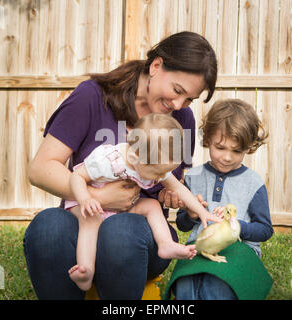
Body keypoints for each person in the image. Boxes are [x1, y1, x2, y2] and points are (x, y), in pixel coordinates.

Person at [24, 31, 218, 300]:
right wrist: (100, 197)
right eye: (177, 91)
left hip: (138, 235)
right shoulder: (92, 97)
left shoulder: (181, 118)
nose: (178, 104)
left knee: (121, 232)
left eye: (188, 99)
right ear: (156, 66)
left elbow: (171, 179)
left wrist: (175, 197)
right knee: (47, 227)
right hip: (85, 218)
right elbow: (40, 169)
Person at [67, 113, 224, 291]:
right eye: (157, 174)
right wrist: (86, 198)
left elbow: (179, 189)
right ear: (134, 158)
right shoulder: (108, 159)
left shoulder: (152, 158)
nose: (160, 179)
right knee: (91, 220)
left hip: (120, 210)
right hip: (91, 206)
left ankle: (165, 244)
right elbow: (76, 176)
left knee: (152, 205)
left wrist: (202, 212)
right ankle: (86, 271)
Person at [172, 98, 274, 300]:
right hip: (200, 246)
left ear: (248, 147)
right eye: (220, 147)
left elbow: (265, 230)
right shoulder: (193, 176)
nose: (227, 157)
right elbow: (182, 225)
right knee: (186, 287)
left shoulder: (253, 183)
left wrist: (236, 227)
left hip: (238, 249)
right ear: (208, 139)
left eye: (237, 151)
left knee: (216, 287)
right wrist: (192, 214)